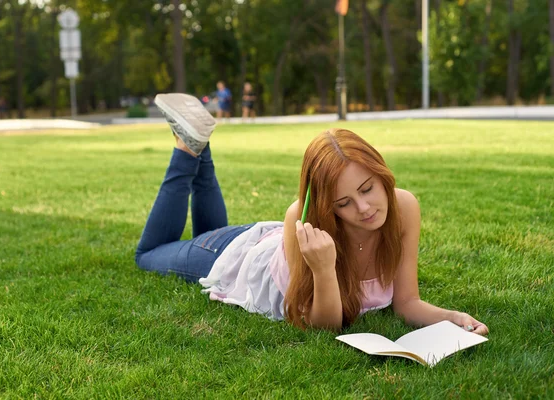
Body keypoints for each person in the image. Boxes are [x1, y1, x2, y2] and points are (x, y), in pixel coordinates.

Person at [136, 93, 489, 335]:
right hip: (226, 253)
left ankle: (199, 145)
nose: (364, 208)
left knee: (200, 232)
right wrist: (323, 268)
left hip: (259, 241)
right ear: (324, 208)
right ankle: (188, 150)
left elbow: (407, 303)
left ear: (382, 174)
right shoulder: (302, 219)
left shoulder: (404, 207)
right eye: (344, 203)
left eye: (367, 189)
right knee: (148, 255)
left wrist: (452, 318)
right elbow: (324, 326)